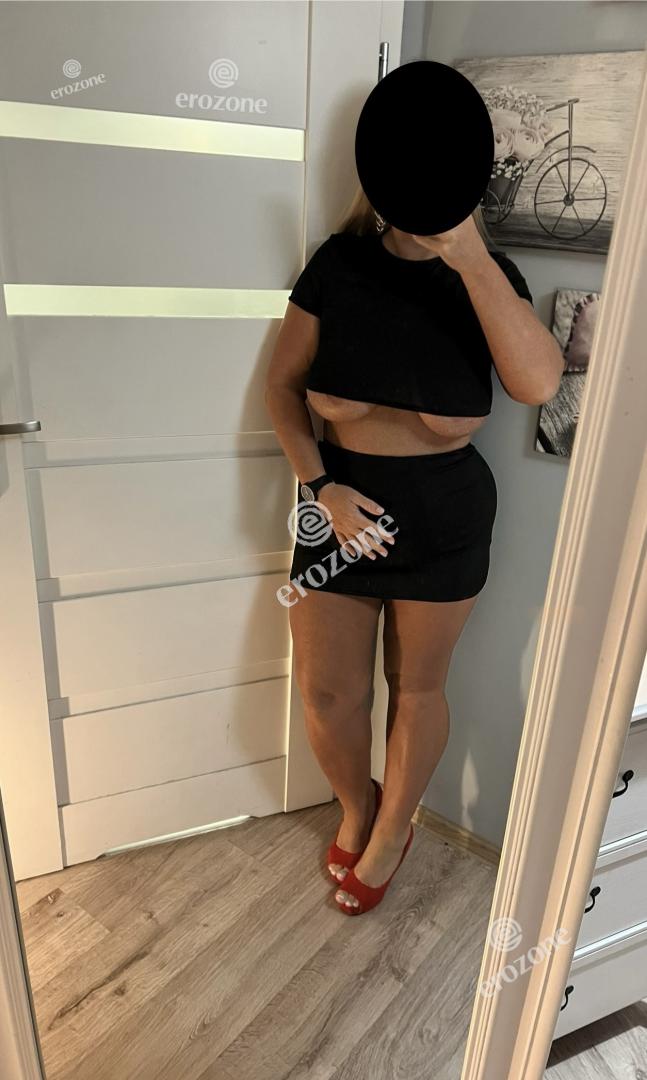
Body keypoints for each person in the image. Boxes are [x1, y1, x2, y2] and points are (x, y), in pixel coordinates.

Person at [265, 184, 564, 916]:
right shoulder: (338, 264)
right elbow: (281, 386)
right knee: (326, 693)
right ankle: (357, 807)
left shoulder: (487, 273)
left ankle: (393, 830)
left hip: (444, 516)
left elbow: (537, 383)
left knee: (418, 688)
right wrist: (321, 488)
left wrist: (470, 257)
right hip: (335, 510)